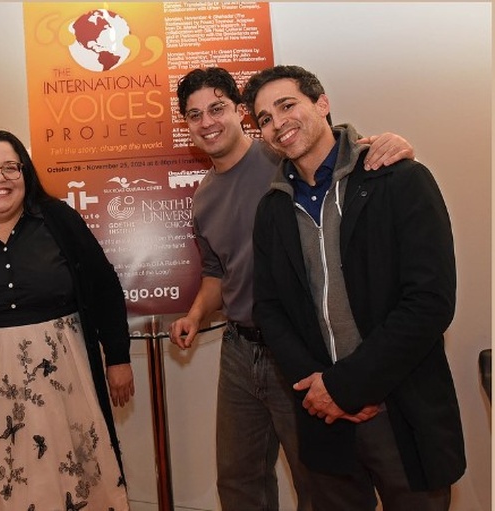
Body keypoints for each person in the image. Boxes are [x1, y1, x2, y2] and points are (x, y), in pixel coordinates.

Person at [168, 67, 415, 511]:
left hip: (296, 348)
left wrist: (386, 144)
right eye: (194, 115)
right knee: (238, 478)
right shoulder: (203, 196)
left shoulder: (281, 160)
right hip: (239, 349)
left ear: (240, 113)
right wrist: (196, 314)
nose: (207, 122)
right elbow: (217, 273)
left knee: (318, 482)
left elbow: (338, 154)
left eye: (217, 108)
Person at [243, 65, 465, 510]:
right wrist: (321, 392)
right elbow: (269, 308)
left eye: (287, 105)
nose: (278, 122)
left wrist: (348, 387)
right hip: (323, 417)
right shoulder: (272, 210)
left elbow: (430, 301)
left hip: (399, 408)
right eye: (265, 118)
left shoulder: (398, 179)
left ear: (322, 103)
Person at [0, 128, 134, 510]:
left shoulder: (58, 220)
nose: (0, 178)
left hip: (64, 385)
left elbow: (104, 285)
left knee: (74, 480)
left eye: (11, 167)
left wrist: (118, 357)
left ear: (25, 173)